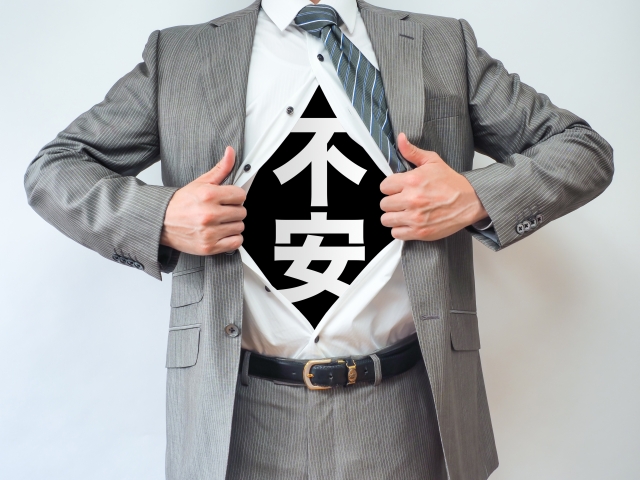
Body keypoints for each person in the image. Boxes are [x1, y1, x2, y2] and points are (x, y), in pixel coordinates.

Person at [24, 0, 614, 478]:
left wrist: (474, 195)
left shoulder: (441, 45)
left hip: (406, 410)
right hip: (236, 415)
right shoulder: (180, 54)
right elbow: (56, 169)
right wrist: (160, 215)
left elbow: (582, 149)